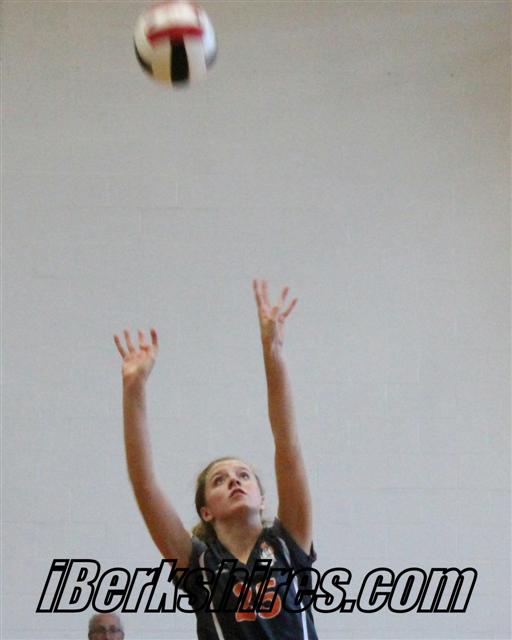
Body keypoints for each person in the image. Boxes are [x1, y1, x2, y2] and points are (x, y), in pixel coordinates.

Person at [113, 279, 318, 639]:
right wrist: (134, 389)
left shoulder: (288, 543)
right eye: (219, 480)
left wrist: (273, 353)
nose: (235, 480)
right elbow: (144, 484)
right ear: (206, 511)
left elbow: (287, 447)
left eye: (244, 475)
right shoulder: (198, 563)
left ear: (262, 499)